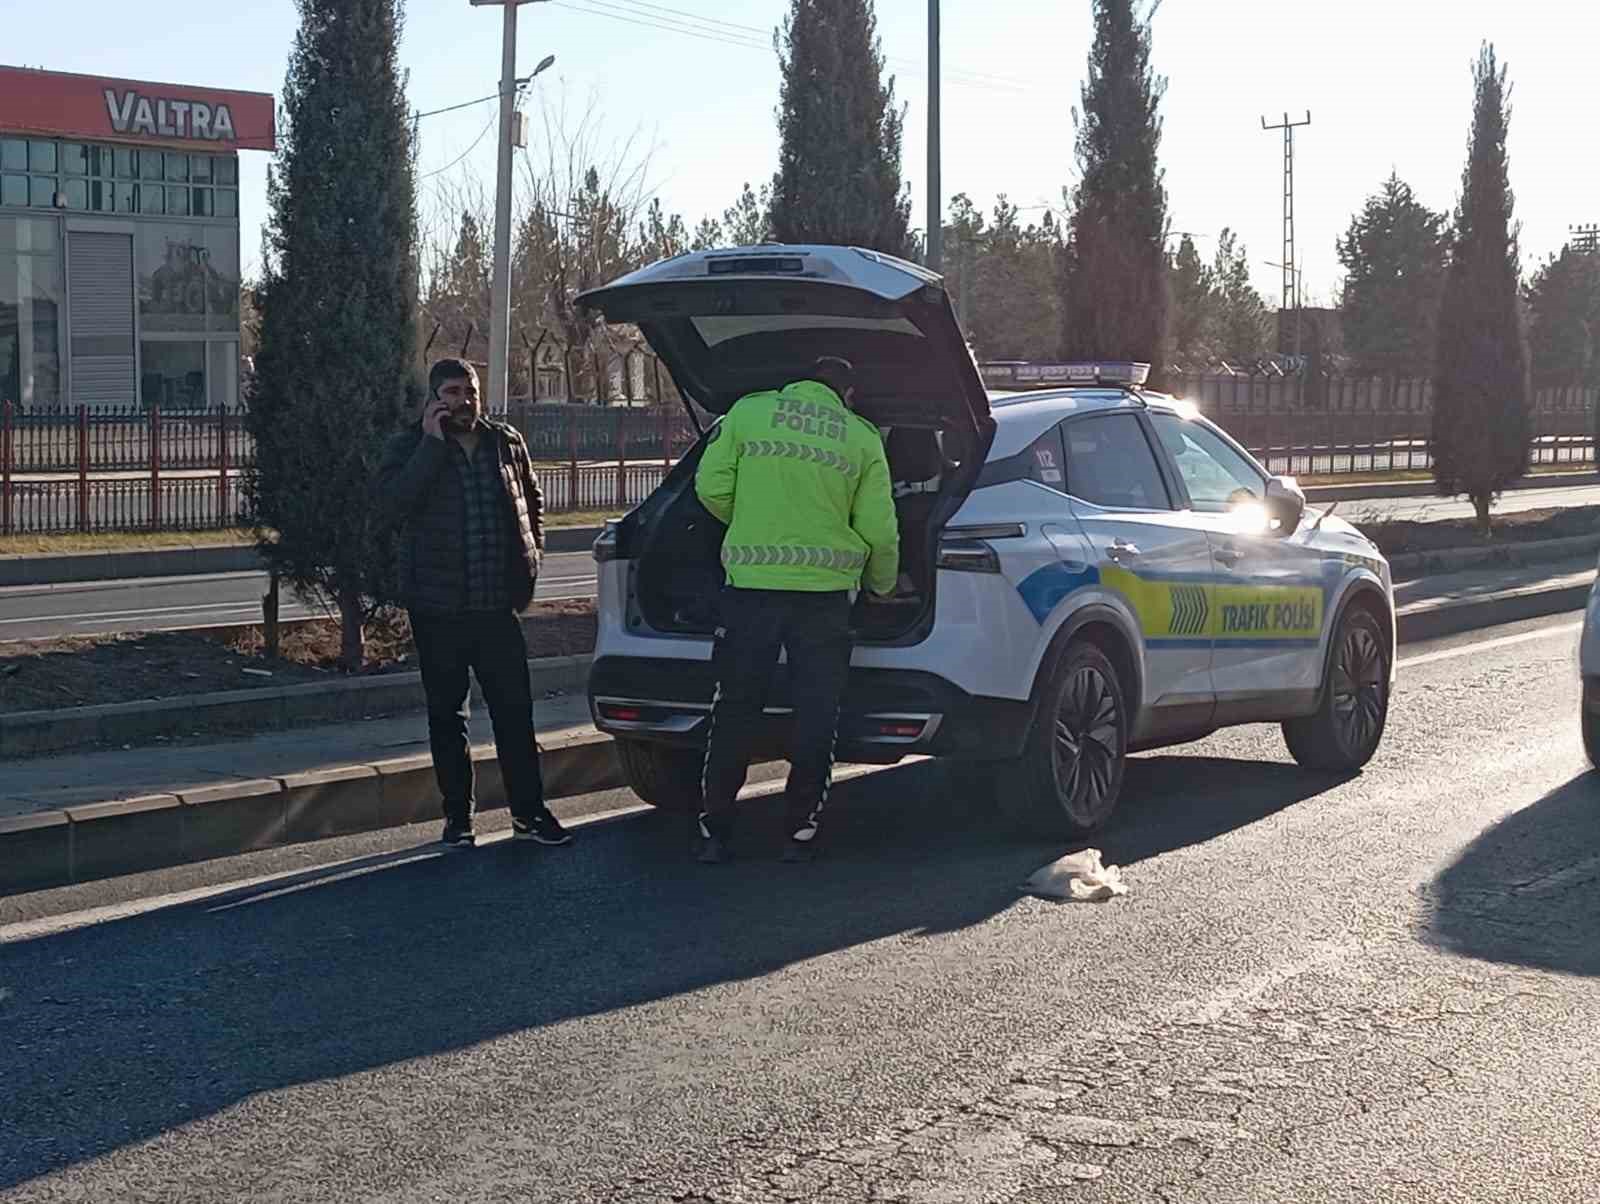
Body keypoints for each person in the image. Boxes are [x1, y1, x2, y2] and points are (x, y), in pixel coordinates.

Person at [693, 356, 900, 864]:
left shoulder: (749, 413)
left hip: (751, 590)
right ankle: (799, 830)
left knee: (736, 707)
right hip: (824, 598)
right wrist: (882, 586)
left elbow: (710, 488)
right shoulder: (860, 437)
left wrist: (752, 522)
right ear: (846, 394)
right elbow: (879, 529)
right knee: (816, 711)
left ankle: (715, 829)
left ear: (796, 381)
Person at [377, 357, 573, 851]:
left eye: (470, 391)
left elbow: (532, 502)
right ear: (433, 399)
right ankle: (458, 819)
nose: (464, 401)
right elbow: (391, 507)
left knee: (514, 713)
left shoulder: (504, 443)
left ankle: (528, 813)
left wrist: (532, 560)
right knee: (448, 715)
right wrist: (431, 445)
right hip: (437, 609)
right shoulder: (409, 446)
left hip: (495, 607)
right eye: (452, 392)